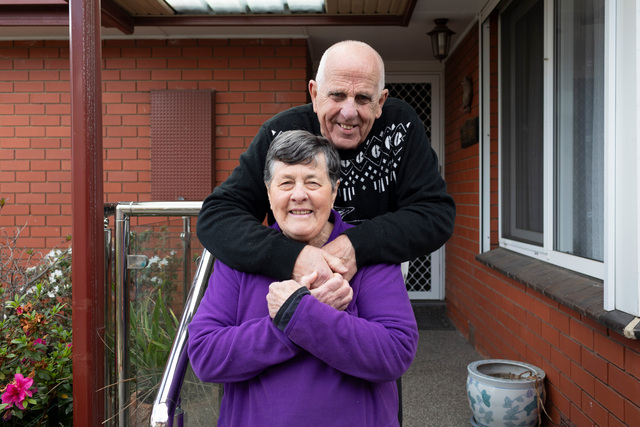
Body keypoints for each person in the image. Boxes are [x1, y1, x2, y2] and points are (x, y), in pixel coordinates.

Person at [188, 130, 419, 426]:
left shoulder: (365, 253)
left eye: (312, 182)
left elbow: (394, 352)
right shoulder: (239, 256)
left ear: (334, 191)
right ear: (268, 192)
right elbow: (206, 356)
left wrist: (301, 314)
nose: (299, 195)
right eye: (286, 183)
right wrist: (292, 321)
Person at [196, 40, 456, 288]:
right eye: (337, 95)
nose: (349, 112)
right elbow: (217, 216)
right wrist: (292, 257)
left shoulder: (401, 126)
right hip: (294, 281)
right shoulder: (280, 133)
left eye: (363, 98)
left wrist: (355, 246)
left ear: (380, 102)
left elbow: (435, 214)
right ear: (315, 94)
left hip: (377, 276)